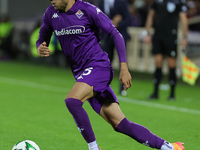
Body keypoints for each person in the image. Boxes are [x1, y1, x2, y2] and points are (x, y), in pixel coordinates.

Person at [37, 0, 184, 150]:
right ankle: (170, 147)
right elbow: (42, 39)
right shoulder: (50, 13)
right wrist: (40, 48)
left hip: (99, 67)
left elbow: (116, 34)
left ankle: (94, 148)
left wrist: (124, 68)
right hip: (82, 74)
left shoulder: (88, 10)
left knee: (72, 101)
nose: (51, 0)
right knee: (120, 124)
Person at [144, 0, 188, 100]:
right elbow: (151, 16)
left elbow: (183, 18)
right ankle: (155, 93)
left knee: (171, 64)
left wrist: (185, 37)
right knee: (158, 62)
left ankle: (172, 94)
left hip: (171, 37)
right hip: (158, 36)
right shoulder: (157, 2)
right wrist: (147, 32)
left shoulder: (179, 2)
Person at [98, 0, 131, 96]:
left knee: (122, 61)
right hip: (106, 36)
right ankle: (104, 86)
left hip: (120, 35)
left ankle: (123, 87)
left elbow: (128, 18)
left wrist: (117, 25)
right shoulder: (101, 3)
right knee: (106, 61)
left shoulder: (121, 2)